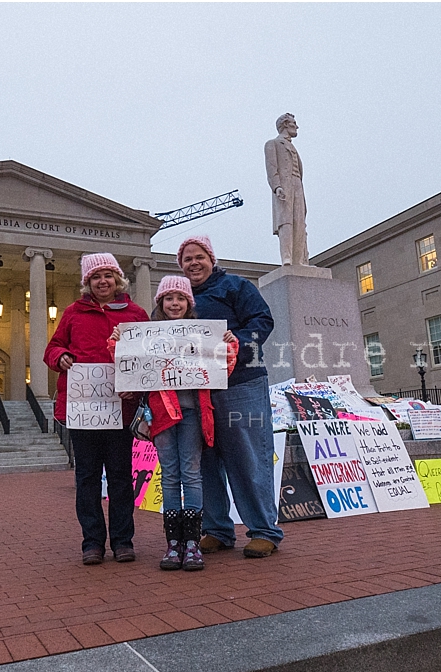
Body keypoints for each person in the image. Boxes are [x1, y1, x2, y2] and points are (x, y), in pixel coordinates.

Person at [109, 276, 238, 571]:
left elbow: (224, 367)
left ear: (188, 304)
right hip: (162, 413)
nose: (175, 303)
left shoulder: (203, 333)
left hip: (193, 412)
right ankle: (174, 544)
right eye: (169, 298)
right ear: (161, 303)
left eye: (181, 298)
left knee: (191, 473)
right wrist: (118, 340)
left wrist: (229, 344)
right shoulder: (146, 334)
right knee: (169, 475)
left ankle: (192, 542)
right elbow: (125, 362)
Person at [177, 235, 284, 557]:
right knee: (204, 463)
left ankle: (264, 530)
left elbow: (262, 321)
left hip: (241, 384)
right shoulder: (178, 298)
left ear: (211, 258)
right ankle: (217, 530)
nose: (193, 263)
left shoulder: (237, 287)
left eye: (199, 257)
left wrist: (234, 339)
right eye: (187, 259)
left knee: (248, 457)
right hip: (199, 389)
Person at [44, 253, 150, 565]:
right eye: (95, 277)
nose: (102, 281)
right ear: (87, 283)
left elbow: (149, 358)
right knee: (87, 478)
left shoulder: (136, 314)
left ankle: (122, 541)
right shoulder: (73, 313)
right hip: (82, 410)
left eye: (108, 275)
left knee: (119, 477)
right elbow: (52, 348)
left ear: (118, 279)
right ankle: (92, 542)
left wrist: (138, 384)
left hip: (121, 408)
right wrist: (60, 355)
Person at [265, 113, 308, 266]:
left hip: (297, 185)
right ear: (285, 125)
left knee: (299, 222)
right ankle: (287, 258)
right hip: (284, 186)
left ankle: (299, 260)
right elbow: (271, 169)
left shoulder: (294, 148)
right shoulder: (273, 144)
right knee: (286, 221)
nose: (297, 126)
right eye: (293, 123)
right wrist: (277, 187)